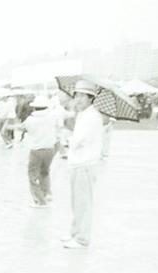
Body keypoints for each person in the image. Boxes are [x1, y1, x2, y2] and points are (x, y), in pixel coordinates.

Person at [63, 81, 103, 249]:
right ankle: (75, 232)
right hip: (78, 163)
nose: (77, 99)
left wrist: (67, 139)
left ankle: (82, 238)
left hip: (85, 164)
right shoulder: (83, 114)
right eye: (76, 95)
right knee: (76, 201)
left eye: (81, 96)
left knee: (83, 203)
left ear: (90, 98)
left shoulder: (92, 116)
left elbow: (78, 141)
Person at [20, 96, 58, 207]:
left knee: (32, 176)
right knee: (45, 172)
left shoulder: (30, 120)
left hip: (36, 150)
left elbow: (24, 129)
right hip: (50, 149)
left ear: (34, 108)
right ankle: (46, 194)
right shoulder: (52, 117)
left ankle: (40, 201)